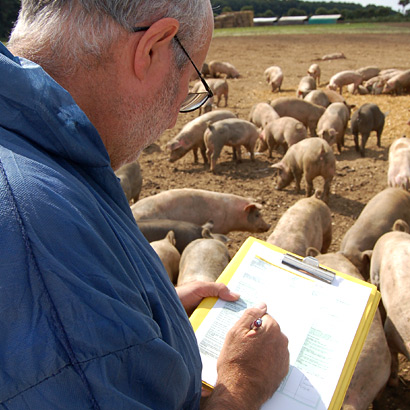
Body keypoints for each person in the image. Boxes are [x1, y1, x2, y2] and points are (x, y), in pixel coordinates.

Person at [0, 1, 289, 409]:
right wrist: (244, 384)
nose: (173, 119)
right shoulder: (40, 235)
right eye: (187, 86)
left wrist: (146, 307)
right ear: (151, 49)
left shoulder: (36, 152)